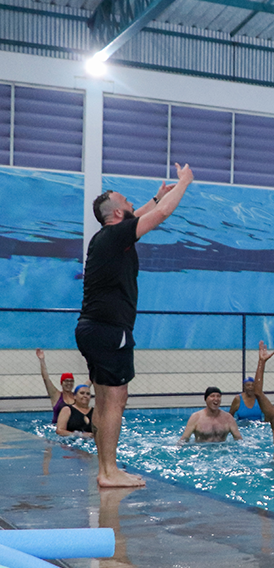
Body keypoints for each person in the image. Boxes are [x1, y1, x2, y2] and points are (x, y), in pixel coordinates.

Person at [75, 163, 193, 488]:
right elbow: (161, 215)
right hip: (110, 330)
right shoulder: (116, 235)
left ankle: (105, 469)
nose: (131, 203)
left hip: (91, 328)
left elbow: (142, 213)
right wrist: (184, 183)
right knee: (116, 399)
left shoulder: (105, 237)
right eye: (126, 201)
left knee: (103, 401)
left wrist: (157, 195)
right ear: (116, 213)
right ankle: (109, 471)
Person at [36, 349, 75, 421]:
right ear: (61, 383)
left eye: (71, 381)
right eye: (66, 381)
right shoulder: (56, 395)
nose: (69, 383)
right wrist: (42, 360)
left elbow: (89, 382)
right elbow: (46, 378)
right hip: (57, 426)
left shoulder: (77, 396)